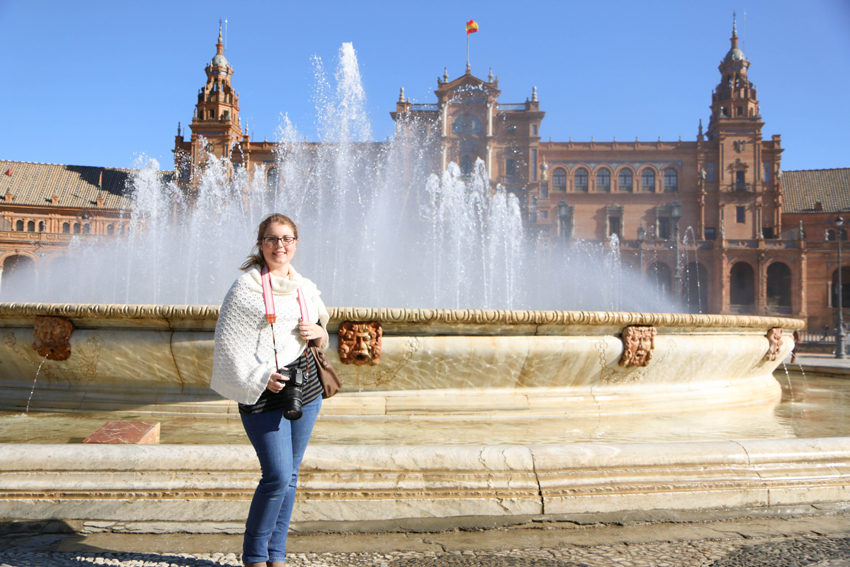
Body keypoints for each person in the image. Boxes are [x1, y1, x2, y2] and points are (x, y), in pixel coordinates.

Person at [211, 213, 329, 567]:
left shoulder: (305, 287)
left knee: (290, 476)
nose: (280, 246)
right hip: (263, 390)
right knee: (276, 475)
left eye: (287, 239)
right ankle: (253, 555)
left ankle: (276, 554)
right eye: (272, 239)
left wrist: (320, 335)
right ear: (260, 244)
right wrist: (262, 375)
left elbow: (324, 329)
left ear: (296, 243)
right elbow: (228, 346)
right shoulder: (245, 289)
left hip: (305, 389)